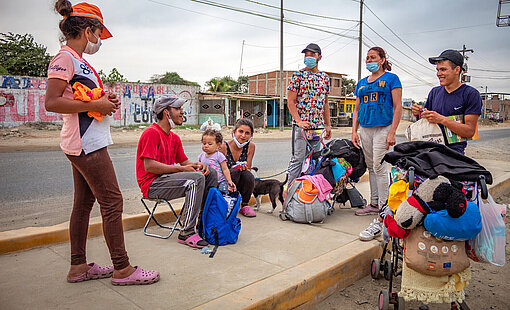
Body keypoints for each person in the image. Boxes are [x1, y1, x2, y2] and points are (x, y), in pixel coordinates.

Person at [44, 0, 159, 285]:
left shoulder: (78, 60)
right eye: (97, 32)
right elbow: (52, 102)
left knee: (84, 204)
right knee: (112, 202)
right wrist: (95, 104)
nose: (98, 39)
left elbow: (81, 98)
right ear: (86, 30)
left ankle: (78, 266)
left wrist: (104, 101)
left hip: (86, 141)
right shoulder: (65, 59)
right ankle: (122, 269)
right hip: (86, 144)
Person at [136, 94, 218, 248]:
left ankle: (203, 222)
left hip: (167, 179)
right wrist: (183, 169)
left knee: (210, 173)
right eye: (178, 109)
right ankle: (186, 232)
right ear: (166, 112)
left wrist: (199, 165)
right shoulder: (151, 133)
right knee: (196, 179)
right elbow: (149, 166)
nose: (182, 112)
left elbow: (185, 162)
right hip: (152, 185)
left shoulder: (174, 138)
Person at [352, 46, 403, 241]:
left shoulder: (391, 79)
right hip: (365, 128)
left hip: (383, 127)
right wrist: (353, 131)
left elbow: (398, 106)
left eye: (373, 57)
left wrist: (392, 131)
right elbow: (356, 109)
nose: (369, 61)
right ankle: (373, 204)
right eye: (367, 58)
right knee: (371, 168)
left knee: (380, 168)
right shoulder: (362, 83)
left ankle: (384, 208)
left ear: (382, 60)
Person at [411, 49, 482, 154]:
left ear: (457, 70)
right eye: (437, 70)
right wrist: (419, 113)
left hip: (453, 154)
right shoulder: (434, 92)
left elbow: (469, 131)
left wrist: (441, 119)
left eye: (443, 69)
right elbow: (426, 121)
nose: (439, 74)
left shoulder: (470, 94)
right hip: (429, 150)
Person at [287, 43, 332, 185]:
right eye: (306, 54)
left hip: (317, 127)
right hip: (301, 127)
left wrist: (328, 125)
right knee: (298, 159)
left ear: (319, 57)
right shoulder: (298, 75)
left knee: (313, 160)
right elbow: (291, 101)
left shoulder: (324, 78)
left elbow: (325, 103)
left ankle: (307, 194)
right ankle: (290, 197)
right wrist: (299, 121)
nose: (308, 57)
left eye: (312, 54)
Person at [219, 118, 257, 217]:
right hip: (225, 182)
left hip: (240, 182)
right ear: (234, 132)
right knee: (234, 172)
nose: (243, 135)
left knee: (248, 175)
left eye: (247, 133)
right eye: (240, 131)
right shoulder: (223, 146)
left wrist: (243, 167)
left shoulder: (251, 147)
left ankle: (244, 204)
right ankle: (228, 201)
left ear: (251, 135)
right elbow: (219, 170)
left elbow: (248, 167)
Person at [198, 129, 236, 194]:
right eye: (204, 143)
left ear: (218, 145)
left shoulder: (219, 156)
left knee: (222, 194)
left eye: (210, 144)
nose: (206, 146)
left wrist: (229, 180)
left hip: (220, 181)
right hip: (208, 182)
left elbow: (225, 169)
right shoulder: (201, 156)